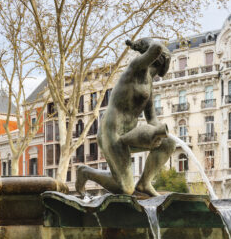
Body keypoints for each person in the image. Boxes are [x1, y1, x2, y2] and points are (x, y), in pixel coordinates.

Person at [75, 38, 175, 197]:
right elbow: (155, 47)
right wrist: (143, 45)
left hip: (130, 134)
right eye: (158, 64)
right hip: (112, 131)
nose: (157, 70)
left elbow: (152, 119)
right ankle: (85, 172)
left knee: (169, 143)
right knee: (126, 189)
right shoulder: (135, 68)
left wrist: (159, 132)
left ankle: (144, 183)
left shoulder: (149, 84)